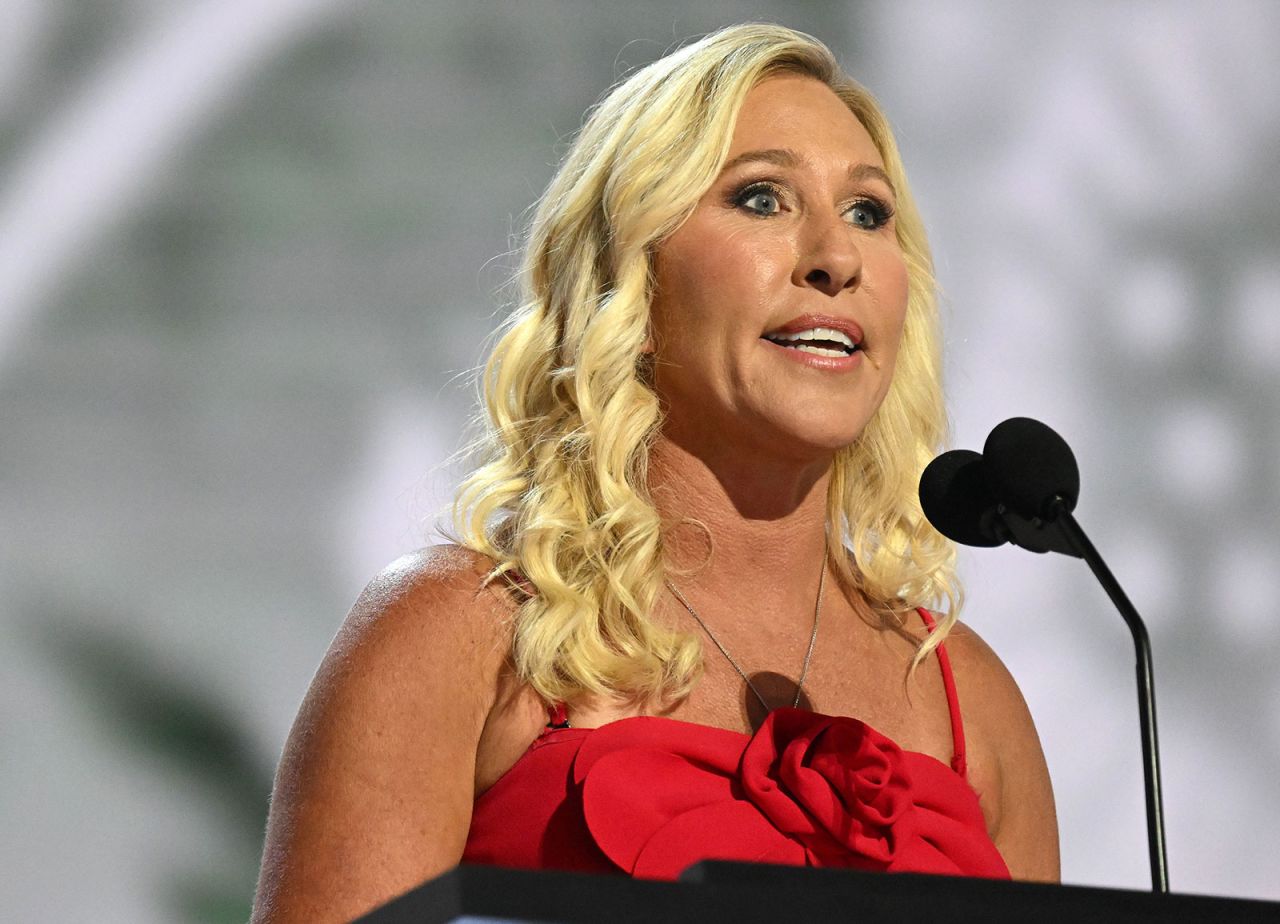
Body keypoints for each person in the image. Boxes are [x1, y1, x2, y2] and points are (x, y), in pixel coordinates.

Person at [251, 22, 1059, 923]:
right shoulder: (457, 639)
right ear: (632, 278)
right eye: (762, 198)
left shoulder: (968, 701)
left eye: (870, 213)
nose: (837, 258)